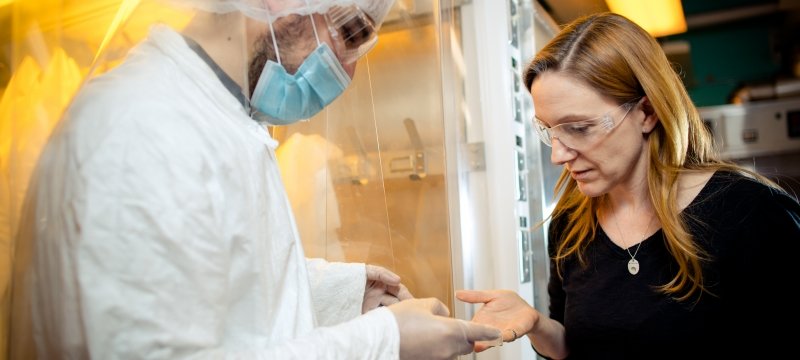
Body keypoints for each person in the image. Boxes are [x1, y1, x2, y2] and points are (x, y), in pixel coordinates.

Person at [7, 0, 501, 358]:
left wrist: (343, 294)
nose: (348, 71)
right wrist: (382, 341)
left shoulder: (222, 113)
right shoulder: (143, 125)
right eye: (350, 34)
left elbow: (211, 277)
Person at [456, 12, 800, 359]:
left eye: (578, 128)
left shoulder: (755, 216)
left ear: (646, 112)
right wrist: (539, 325)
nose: (557, 156)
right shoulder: (571, 224)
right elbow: (578, 349)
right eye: (550, 131)